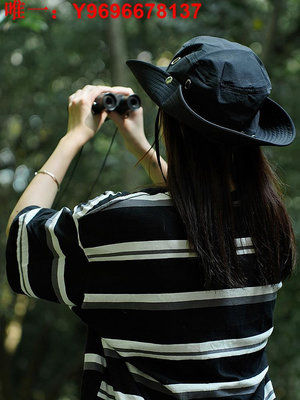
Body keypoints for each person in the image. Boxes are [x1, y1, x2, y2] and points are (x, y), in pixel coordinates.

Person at [6, 36, 296, 400]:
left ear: (172, 125)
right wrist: (140, 146)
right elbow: (199, 212)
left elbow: (21, 244)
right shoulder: (271, 224)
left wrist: (73, 137)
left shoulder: (119, 223)